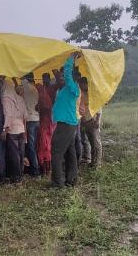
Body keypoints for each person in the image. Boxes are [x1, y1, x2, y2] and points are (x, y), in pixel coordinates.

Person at [51, 53, 81, 188]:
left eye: (65, 76)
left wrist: (71, 59)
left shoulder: (72, 87)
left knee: (56, 152)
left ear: (72, 77)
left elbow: (67, 73)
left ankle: (58, 183)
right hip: (68, 123)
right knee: (70, 152)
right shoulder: (67, 88)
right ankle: (71, 180)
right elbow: (63, 77)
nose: (62, 77)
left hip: (66, 124)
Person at [1, 80, 28, 183]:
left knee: (15, 155)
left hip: (12, 130)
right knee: (21, 153)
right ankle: (20, 174)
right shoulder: (20, 98)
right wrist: (25, 131)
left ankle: (16, 177)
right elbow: (25, 116)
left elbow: (8, 115)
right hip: (21, 129)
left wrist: (4, 129)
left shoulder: (6, 99)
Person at [35, 73, 57, 175]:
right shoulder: (41, 89)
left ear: (49, 79)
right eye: (43, 79)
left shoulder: (52, 88)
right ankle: (45, 168)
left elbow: (47, 106)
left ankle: (47, 168)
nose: (44, 80)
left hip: (49, 121)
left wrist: (41, 108)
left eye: (46, 79)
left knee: (46, 145)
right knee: (43, 144)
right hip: (45, 121)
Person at [79, 77, 103, 168]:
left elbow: (99, 107)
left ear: (85, 84)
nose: (80, 86)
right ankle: (93, 162)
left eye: (81, 84)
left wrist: (97, 121)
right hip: (86, 121)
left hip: (93, 121)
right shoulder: (82, 94)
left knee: (96, 143)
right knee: (91, 142)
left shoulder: (92, 94)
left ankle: (97, 164)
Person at [21, 72, 41, 178]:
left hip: (29, 120)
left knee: (31, 146)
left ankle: (35, 171)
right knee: (34, 145)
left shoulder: (25, 86)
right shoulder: (34, 89)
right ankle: (35, 167)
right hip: (36, 119)